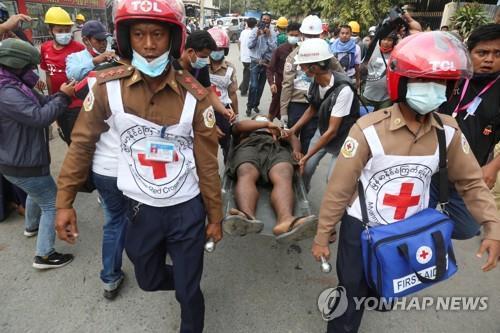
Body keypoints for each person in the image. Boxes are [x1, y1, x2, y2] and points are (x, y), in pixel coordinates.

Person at [311, 31, 500, 333]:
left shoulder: (447, 131)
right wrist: (323, 234)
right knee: (350, 297)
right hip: (362, 231)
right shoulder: (369, 130)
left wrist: (492, 227)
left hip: (407, 232)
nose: (434, 90)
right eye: (424, 81)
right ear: (402, 82)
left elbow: (472, 183)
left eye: (441, 83)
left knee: (387, 290)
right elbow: (339, 189)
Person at [55, 0, 222, 331]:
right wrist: (64, 201)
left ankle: (190, 287)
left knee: (188, 294)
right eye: (139, 34)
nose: (148, 45)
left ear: (174, 39)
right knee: (147, 278)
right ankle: (188, 279)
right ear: (126, 37)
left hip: (186, 208)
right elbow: (81, 144)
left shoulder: (196, 96)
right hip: (140, 209)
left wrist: (216, 217)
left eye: (158, 34)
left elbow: (207, 165)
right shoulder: (106, 88)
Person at [0, 38, 75, 269]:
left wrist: (60, 94)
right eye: (30, 67)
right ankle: (44, 255)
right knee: (52, 203)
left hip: (20, 160)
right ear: (17, 64)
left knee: (35, 191)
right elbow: (40, 117)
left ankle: (31, 226)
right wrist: (63, 97)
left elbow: (43, 102)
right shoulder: (7, 92)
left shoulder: (15, 84)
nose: (34, 72)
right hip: (21, 161)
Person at [432, 24, 500, 230]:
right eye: (482, 52)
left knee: (466, 228)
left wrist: (494, 166)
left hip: (469, 172)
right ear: (468, 54)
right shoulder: (451, 77)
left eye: (497, 54)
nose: (489, 59)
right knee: (410, 219)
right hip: (429, 166)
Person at [223, 116, 316, 242]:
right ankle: (246, 216)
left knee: (284, 173)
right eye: (259, 119)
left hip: (274, 147)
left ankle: (285, 220)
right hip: (249, 145)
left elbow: (293, 137)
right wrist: (265, 124)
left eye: (265, 118)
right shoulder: (247, 127)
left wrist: (295, 150)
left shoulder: (278, 129)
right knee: (246, 171)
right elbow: (238, 126)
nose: (264, 119)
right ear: (254, 120)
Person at [287, 38, 359, 192]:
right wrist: (293, 129)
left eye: (303, 65)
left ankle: (336, 212)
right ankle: (303, 201)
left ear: (314, 67)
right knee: (306, 169)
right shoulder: (316, 81)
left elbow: (333, 131)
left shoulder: (343, 89)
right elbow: (312, 108)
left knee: (332, 179)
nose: (300, 68)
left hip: (344, 136)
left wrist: (305, 157)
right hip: (324, 130)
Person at [280, 15, 343, 153]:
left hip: (317, 104)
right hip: (296, 103)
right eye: (308, 35)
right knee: (291, 141)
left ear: (320, 35)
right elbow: (287, 85)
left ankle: (303, 168)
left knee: (308, 142)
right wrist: (284, 111)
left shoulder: (327, 56)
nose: (310, 38)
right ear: (302, 34)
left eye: (314, 35)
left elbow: (341, 76)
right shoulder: (293, 56)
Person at [40, 7, 85, 145]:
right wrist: (52, 99)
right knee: (67, 138)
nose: (64, 34)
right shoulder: (45, 48)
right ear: (50, 31)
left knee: (78, 142)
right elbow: (48, 75)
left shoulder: (78, 48)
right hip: (59, 102)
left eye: (67, 30)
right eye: (60, 31)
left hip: (77, 103)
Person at [175, 29, 234, 122]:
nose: (206, 60)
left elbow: (209, 92)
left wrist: (223, 110)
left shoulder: (200, 68)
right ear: (190, 51)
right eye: (203, 57)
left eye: (207, 57)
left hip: (196, 113)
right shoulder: (172, 68)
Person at [207, 27, 238, 161]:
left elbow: (232, 93)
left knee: (227, 143)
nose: (216, 52)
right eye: (213, 49)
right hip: (204, 109)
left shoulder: (230, 68)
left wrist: (236, 114)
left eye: (220, 49)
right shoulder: (200, 65)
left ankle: (228, 165)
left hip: (223, 110)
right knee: (206, 145)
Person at [266, 22, 300, 120]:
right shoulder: (280, 50)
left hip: (296, 87)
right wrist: (272, 83)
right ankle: (267, 127)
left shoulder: (303, 50)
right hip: (280, 85)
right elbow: (270, 68)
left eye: (296, 35)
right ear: (287, 34)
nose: (294, 37)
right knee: (273, 107)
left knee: (291, 111)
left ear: (300, 35)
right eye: (291, 35)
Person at [246, 12, 276, 116]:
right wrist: (257, 36)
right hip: (255, 61)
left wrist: (268, 36)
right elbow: (249, 46)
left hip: (266, 63)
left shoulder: (272, 32)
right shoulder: (255, 30)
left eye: (267, 20)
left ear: (270, 21)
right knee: (253, 86)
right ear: (260, 20)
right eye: (263, 19)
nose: (265, 21)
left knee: (260, 86)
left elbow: (274, 48)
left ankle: (256, 104)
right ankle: (249, 106)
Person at [362, 32, 398, 111]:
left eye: (389, 40)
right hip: (368, 96)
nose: (386, 42)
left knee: (383, 122)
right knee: (366, 121)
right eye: (384, 39)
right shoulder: (372, 50)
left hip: (386, 98)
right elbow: (363, 67)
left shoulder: (396, 54)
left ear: (394, 42)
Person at [330, 24, 362, 91]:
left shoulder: (356, 48)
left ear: (350, 34)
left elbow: (357, 66)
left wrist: (358, 80)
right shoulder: (332, 46)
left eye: (347, 33)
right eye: (342, 33)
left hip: (349, 77)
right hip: (335, 77)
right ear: (339, 34)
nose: (344, 35)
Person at [238, 17, 256, 96]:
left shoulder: (243, 32)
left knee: (246, 72)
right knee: (248, 74)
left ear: (247, 24)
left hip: (244, 56)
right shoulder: (254, 33)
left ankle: (242, 87)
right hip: (250, 57)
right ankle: (243, 91)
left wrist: (241, 52)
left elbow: (239, 42)